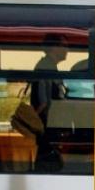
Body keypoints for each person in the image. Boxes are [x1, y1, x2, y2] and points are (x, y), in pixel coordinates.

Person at [31, 33, 69, 171]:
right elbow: (43, 102)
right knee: (47, 165)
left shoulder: (49, 65)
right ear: (53, 47)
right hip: (47, 126)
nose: (67, 50)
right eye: (64, 46)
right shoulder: (45, 67)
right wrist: (33, 122)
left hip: (48, 125)